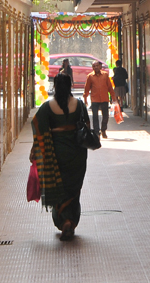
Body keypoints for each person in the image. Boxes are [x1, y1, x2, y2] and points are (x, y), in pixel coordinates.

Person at [30, 73, 88, 241]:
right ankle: (71, 220)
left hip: (56, 154)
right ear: (70, 86)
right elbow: (87, 125)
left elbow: (37, 125)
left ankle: (63, 221)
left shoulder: (48, 107)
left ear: (55, 87)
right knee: (74, 189)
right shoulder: (79, 105)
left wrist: (35, 148)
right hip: (77, 154)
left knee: (58, 186)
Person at [83, 61, 115, 138]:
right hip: (95, 99)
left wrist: (113, 97)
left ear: (100, 66)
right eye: (94, 66)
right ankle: (96, 132)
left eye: (97, 65)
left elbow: (110, 87)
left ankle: (103, 130)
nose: (96, 67)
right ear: (92, 67)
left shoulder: (105, 75)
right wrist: (85, 99)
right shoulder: (90, 76)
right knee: (95, 116)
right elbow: (86, 89)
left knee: (105, 116)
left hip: (104, 98)